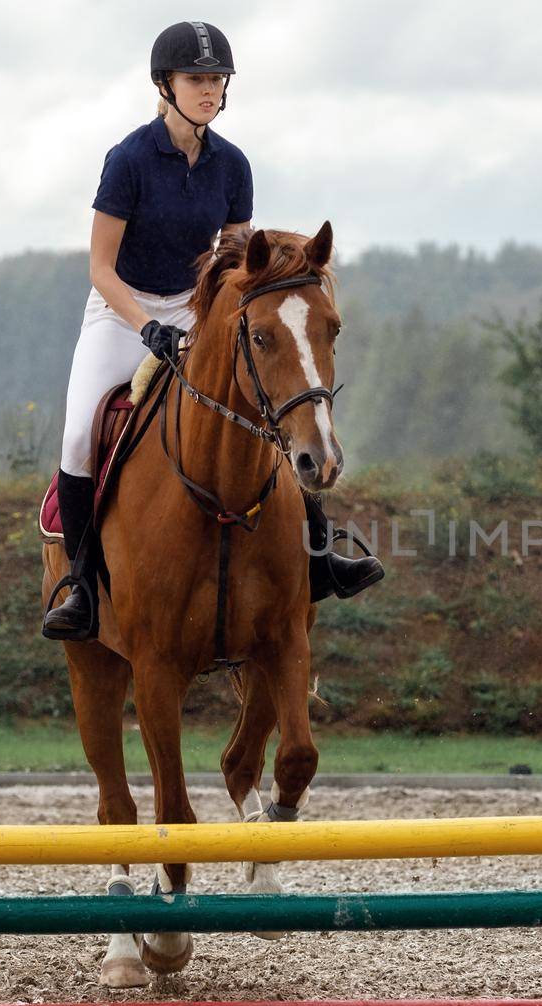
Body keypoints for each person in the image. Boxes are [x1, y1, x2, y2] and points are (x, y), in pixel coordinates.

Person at [43, 21, 382, 641]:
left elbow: (232, 261)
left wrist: (221, 315)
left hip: (196, 309)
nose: (209, 89)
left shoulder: (233, 165)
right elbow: (99, 268)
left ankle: (318, 558)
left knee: (266, 406)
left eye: (216, 79)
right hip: (122, 312)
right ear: (165, 85)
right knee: (76, 437)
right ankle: (84, 585)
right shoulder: (129, 160)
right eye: (196, 79)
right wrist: (147, 326)